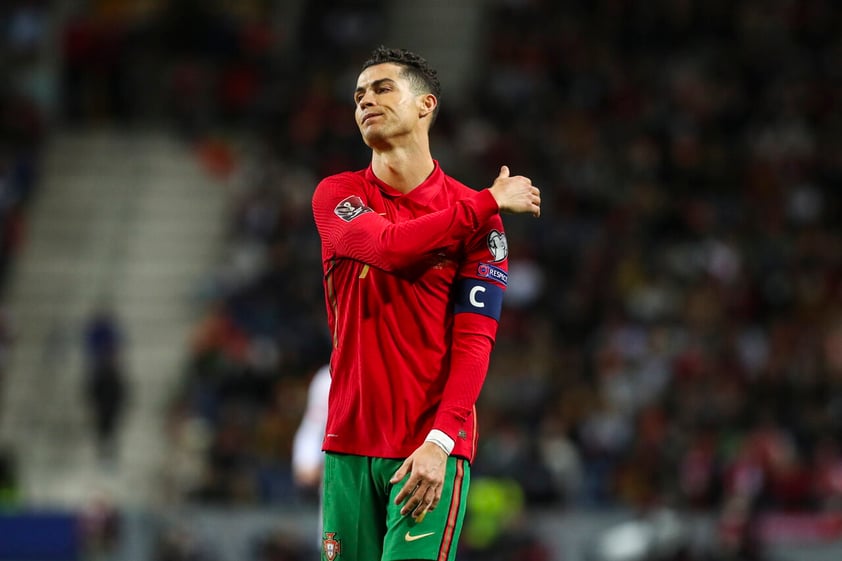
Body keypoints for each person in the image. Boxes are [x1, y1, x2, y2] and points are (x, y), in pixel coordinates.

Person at [311, 46, 541, 561]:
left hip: (426, 447)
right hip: (347, 443)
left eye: (382, 88)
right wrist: (485, 201)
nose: (366, 100)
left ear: (425, 105)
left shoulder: (484, 228)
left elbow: (475, 343)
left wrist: (441, 442)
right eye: (358, 95)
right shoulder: (338, 196)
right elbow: (387, 248)